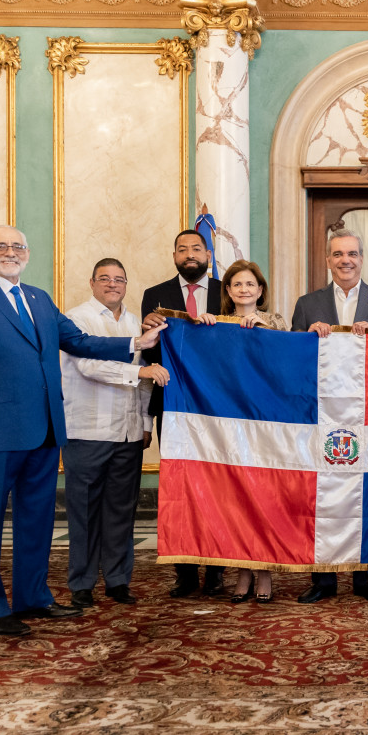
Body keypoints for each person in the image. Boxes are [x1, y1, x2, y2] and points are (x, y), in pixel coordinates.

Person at [0, 226, 166, 636]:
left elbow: (79, 341)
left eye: (18, 246)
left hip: (44, 431)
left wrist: (136, 342)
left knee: (37, 521)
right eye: (1, 246)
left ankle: (33, 597)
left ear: (27, 253)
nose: (10, 252)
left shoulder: (39, 299)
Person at [291, 228, 368, 604]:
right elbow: (292, 361)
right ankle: (323, 580)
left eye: (352, 254)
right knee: (323, 496)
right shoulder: (308, 304)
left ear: (362, 258)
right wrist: (307, 337)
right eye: (338, 254)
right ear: (328, 260)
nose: (345, 261)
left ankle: (365, 578)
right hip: (322, 415)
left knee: (365, 495)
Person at [60, 258, 169, 609]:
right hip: (87, 431)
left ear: (126, 285)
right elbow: (89, 366)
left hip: (128, 433)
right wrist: (139, 373)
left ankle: (118, 580)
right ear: (92, 283)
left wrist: (146, 424)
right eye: (105, 278)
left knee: (122, 510)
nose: (112, 284)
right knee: (84, 511)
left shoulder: (137, 323)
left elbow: (148, 379)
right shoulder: (77, 319)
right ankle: (82, 583)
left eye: (119, 279)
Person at [140, 229, 227, 599]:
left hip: (221, 410)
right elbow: (149, 353)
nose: (189, 254)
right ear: (174, 255)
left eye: (196, 248)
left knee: (219, 487)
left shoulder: (227, 291)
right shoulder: (155, 296)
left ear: (208, 253)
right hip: (173, 406)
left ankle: (217, 568)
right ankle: (185, 571)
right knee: (180, 486)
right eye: (182, 249)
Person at [199, 260, 287, 604]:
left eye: (250, 284)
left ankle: (263, 570)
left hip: (267, 422)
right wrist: (202, 330)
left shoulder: (276, 321)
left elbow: (289, 361)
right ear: (228, 291)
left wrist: (264, 329)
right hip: (230, 426)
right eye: (237, 284)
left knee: (263, 497)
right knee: (236, 499)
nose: (244, 289)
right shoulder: (216, 323)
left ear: (260, 290)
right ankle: (243, 569)